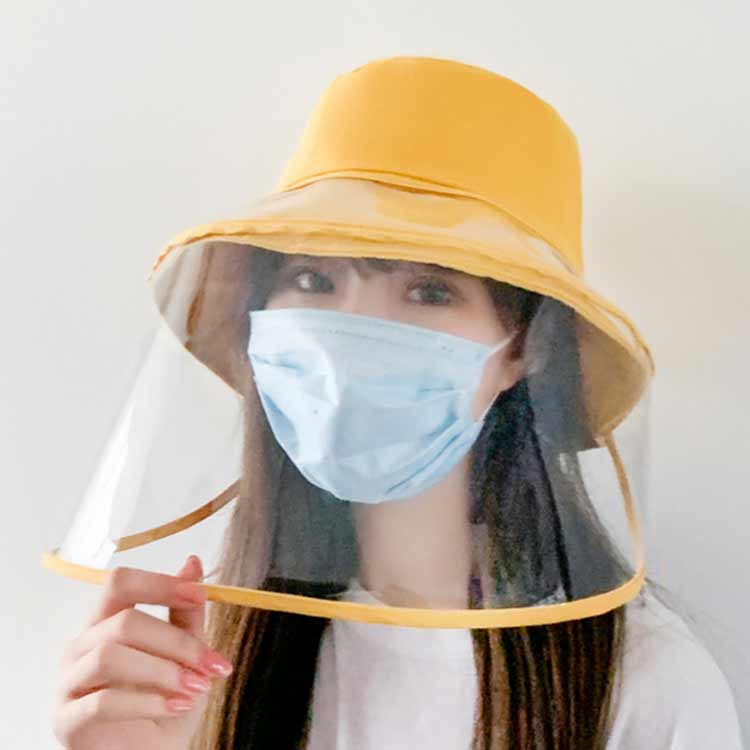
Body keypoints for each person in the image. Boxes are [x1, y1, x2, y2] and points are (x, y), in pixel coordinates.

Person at [48, 56, 743, 749]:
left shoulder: (643, 684)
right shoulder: (194, 659)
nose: (353, 335)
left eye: (430, 291)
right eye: (313, 280)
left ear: (524, 350)